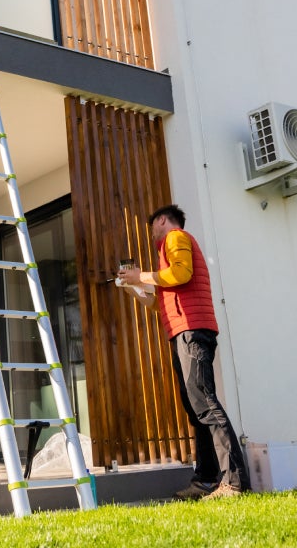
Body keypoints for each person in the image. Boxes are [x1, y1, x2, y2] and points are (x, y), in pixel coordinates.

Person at [117, 204, 249, 500]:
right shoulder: (168, 256)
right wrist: (134, 289)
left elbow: (181, 273)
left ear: (162, 220)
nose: (152, 235)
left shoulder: (175, 237)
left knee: (204, 401)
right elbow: (158, 303)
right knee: (196, 408)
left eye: (152, 227)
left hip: (192, 329)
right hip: (182, 331)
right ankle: (205, 480)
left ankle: (235, 482)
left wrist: (142, 276)